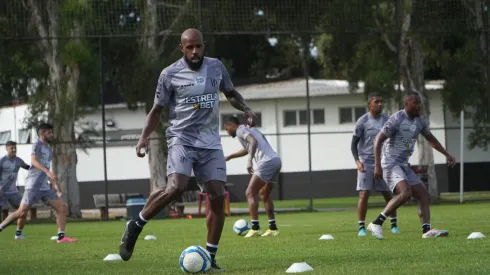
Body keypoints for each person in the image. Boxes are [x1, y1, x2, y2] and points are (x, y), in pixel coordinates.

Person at [118, 28, 256, 272]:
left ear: (204, 46)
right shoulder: (169, 74)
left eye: (198, 46)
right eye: (189, 47)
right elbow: (157, 110)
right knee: (176, 187)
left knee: (216, 195)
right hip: (181, 139)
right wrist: (143, 138)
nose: (195, 51)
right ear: (181, 48)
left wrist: (245, 107)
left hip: (210, 143)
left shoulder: (216, 67)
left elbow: (231, 93)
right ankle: (136, 226)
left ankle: (210, 258)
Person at [367, 92, 455, 239]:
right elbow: (378, 140)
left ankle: (426, 231)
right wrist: (377, 165)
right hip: (390, 163)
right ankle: (376, 223)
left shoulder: (420, 121)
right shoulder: (397, 119)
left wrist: (446, 154)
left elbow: (431, 139)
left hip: (403, 165)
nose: (418, 105)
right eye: (415, 102)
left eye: (419, 102)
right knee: (405, 193)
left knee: (424, 196)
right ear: (406, 103)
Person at [0, 123, 77, 243]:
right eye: (49, 132)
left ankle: (61, 237)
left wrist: (57, 187)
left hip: (44, 186)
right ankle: (1, 227)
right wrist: (47, 171)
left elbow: (48, 170)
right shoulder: (37, 144)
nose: (52, 135)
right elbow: (33, 161)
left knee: (62, 207)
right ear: (42, 133)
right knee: (21, 212)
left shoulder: (48, 149)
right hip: (33, 184)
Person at [224, 116, 281, 238]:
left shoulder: (240, 130)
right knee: (264, 195)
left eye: (226, 128)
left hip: (266, 162)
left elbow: (253, 142)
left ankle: (255, 228)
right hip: (276, 160)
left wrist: (249, 160)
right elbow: (248, 148)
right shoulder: (249, 129)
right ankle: (273, 228)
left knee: (250, 192)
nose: (226, 132)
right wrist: (230, 157)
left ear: (232, 125)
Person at [351, 94, 400, 237]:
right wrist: (357, 161)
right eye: (376, 102)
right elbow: (353, 144)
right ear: (369, 105)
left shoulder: (387, 120)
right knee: (364, 194)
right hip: (366, 162)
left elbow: (393, 140)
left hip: (384, 161)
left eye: (381, 101)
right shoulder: (363, 121)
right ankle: (361, 227)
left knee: (388, 194)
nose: (380, 104)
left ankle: (394, 224)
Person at [0, 141, 30, 240]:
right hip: (2, 191)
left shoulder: (18, 161)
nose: (14, 150)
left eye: (15, 148)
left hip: (14, 192)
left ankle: (18, 233)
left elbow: (28, 168)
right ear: (6, 149)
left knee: (23, 211)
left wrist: (39, 169)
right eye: (11, 148)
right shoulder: (2, 161)